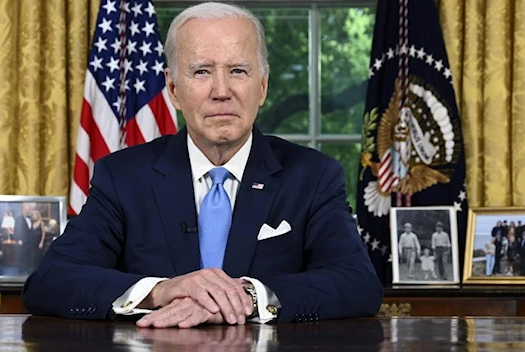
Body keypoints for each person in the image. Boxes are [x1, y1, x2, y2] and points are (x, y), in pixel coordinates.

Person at [22, 1, 382, 326]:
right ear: (174, 89)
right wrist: (163, 291)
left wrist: (246, 296)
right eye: (201, 72)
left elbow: (357, 283)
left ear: (263, 86)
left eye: (239, 71)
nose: (221, 90)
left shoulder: (313, 176)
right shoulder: (123, 176)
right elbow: (51, 281)